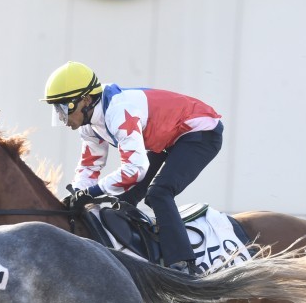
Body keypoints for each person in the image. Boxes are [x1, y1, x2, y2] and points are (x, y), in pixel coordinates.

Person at [43, 61, 223, 274]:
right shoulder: (89, 124)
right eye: (57, 109)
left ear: (86, 100)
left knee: (159, 193)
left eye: (64, 107)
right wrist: (77, 192)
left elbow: (135, 169)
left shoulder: (118, 111)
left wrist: (91, 192)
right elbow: (90, 166)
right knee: (125, 200)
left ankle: (183, 265)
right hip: (166, 138)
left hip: (200, 132)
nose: (62, 118)